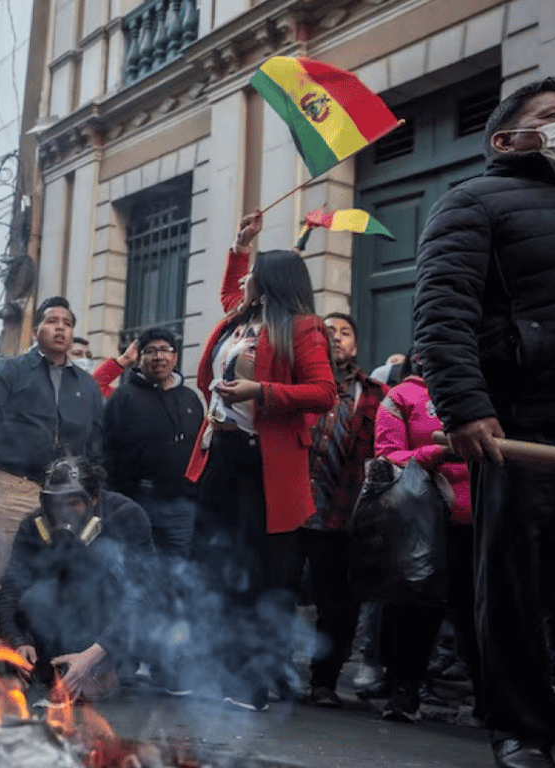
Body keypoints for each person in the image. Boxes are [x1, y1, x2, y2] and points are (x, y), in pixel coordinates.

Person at [413, 77, 555, 768]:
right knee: (511, 585)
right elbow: (442, 310)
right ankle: (521, 727)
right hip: (521, 430)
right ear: (508, 138)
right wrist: (466, 408)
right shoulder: (471, 202)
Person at [184, 210, 337, 711]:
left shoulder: (303, 327)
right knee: (216, 572)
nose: (244, 282)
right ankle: (218, 672)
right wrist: (240, 245)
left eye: (253, 276)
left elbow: (324, 392)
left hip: (263, 468)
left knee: (261, 578)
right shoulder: (239, 318)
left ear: (270, 285)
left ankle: (254, 684)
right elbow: (231, 290)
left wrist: (261, 391)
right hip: (220, 459)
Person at [0, 296, 105, 639]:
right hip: (15, 484)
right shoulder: (9, 370)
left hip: (66, 497)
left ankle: (38, 656)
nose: (60, 328)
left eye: (67, 323)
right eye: (52, 321)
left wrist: (95, 492)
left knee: (55, 575)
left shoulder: (87, 386)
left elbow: (97, 443)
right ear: (36, 329)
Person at [373, 351, 479, 723]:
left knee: (480, 611)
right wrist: (436, 452)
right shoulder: (402, 396)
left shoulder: (482, 394)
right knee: (417, 609)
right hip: (425, 522)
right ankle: (404, 694)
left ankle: (492, 703)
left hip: (482, 520)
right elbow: (387, 455)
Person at [0, 457, 154, 700]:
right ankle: (53, 664)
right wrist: (18, 640)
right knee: (35, 597)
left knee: (107, 559)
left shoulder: (126, 516)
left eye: (73, 504)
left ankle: (113, 666)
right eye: (55, 505)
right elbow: (10, 588)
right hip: (63, 618)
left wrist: (94, 655)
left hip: (107, 625)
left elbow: (142, 597)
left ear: (93, 499)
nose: (63, 514)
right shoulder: (33, 526)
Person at [297, 312, 386, 708]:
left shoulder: (375, 396)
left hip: (341, 516)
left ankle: (324, 682)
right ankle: (267, 675)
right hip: (292, 511)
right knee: (276, 596)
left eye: (344, 332)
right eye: (326, 331)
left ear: (356, 346)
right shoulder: (296, 385)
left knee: (338, 607)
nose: (335, 337)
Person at [101, 326, 203, 557]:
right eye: (150, 351)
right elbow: (106, 450)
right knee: (136, 571)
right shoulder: (123, 398)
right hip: (137, 502)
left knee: (178, 572)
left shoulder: (191, 399)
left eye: (165, 350)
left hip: (181, 506)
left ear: (175, 356)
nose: (159, 356)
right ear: (140, 359)